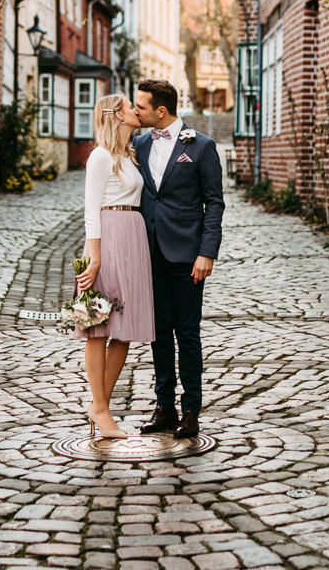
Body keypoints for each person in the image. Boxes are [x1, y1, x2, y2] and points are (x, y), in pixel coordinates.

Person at [132, 79, 224, 440]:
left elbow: (213, 203)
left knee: (187, 334)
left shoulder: (201, 147)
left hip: (187, 256)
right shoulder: (138, 144)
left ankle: (191, 411)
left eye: (141, 106)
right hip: (148, 252)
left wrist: (207, 252)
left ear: (161, 111)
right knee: (157, 335)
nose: (136, 110)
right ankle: (164, 407)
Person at [75, 93, 155, 439]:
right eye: (129, 107)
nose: (136, 111)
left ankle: (99, 406)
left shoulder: (129, 154)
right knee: (98, 327)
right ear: (117, 116)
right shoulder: (100, 156)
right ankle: (102, 409)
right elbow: (91, 210)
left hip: (132, 237)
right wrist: (94, 259)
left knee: (123, 331)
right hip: (106, 239)